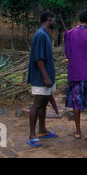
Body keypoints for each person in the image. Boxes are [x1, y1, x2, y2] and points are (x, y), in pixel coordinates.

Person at [64, 9, 87, 141]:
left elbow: (68, 54)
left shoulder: (69, 34)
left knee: (76, 102)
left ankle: (78, 131)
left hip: (74, 73)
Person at [26, 10, 58, 147]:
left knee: (44, 103)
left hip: (46, 77)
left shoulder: (45, 35)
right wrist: (45, 77)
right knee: (37, 104)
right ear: (49, 19)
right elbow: (39, 59)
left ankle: (42, 130)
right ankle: (32, 134)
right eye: (54, 19)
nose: (55, 22)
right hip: (41, 78)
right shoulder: (40, 35)